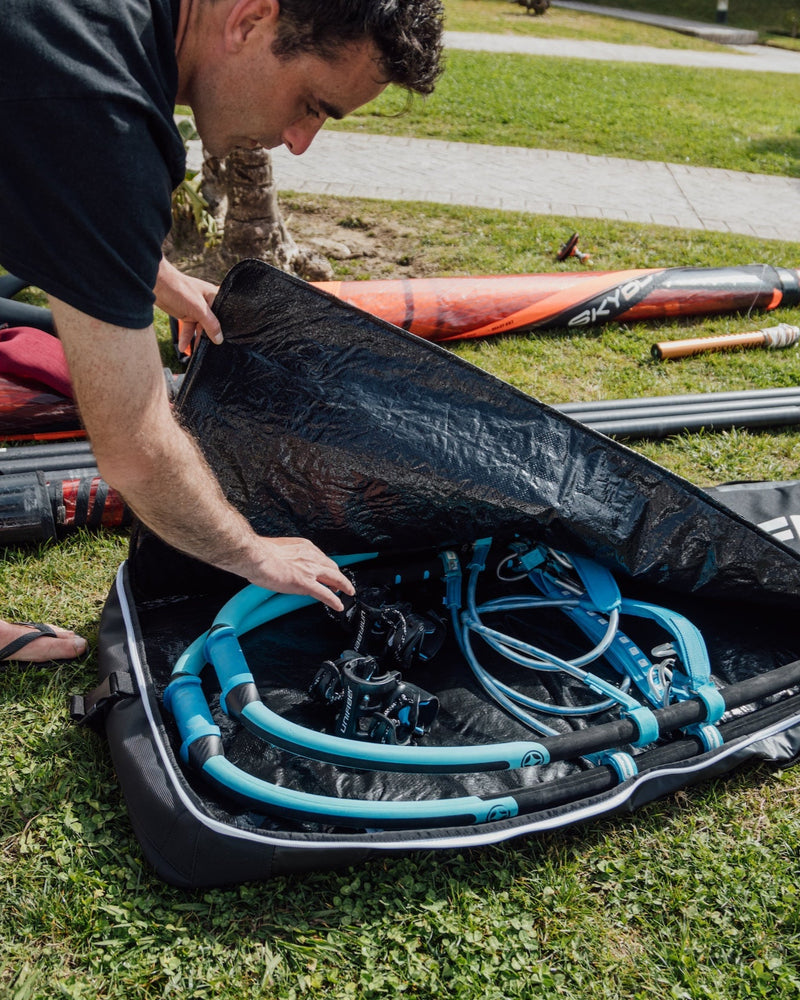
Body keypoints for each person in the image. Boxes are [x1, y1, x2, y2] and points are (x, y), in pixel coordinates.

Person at [0, 0, 444, 662]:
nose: (299, 140)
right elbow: (134, 447)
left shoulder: (96, 34)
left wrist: (149, 272)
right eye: (312, 104)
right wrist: (252, 551)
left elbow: (49, 167)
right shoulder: (102, 107)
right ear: (248, 21)